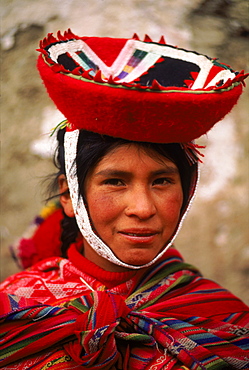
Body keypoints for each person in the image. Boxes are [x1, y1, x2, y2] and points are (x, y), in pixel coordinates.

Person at [0, 30, 248, 369]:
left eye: (162, 181)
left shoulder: (222, 319)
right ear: (69, 194)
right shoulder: (17, 310)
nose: (143, 209)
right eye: (115, 182)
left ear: (186, 191)